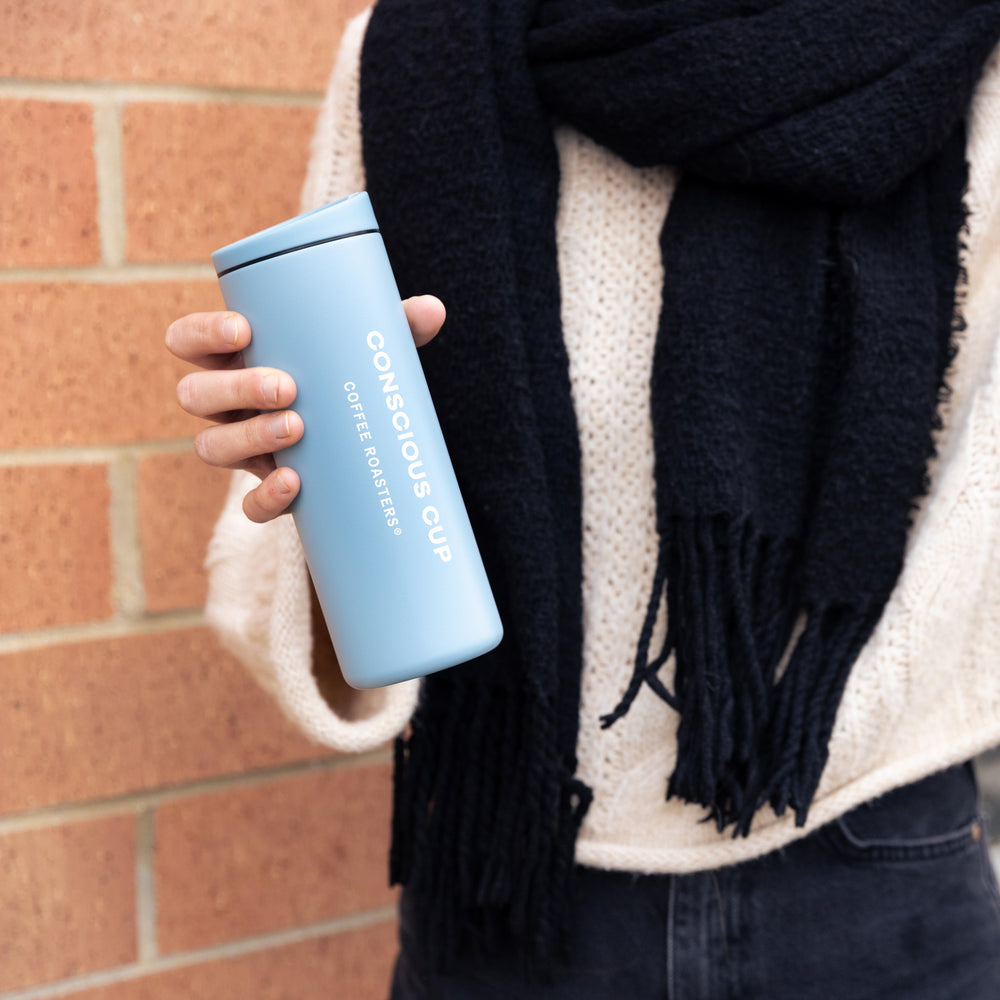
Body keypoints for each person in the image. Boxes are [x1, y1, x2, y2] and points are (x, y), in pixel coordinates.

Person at [167, 2, 1000, 996]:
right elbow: (341, 544)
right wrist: (315, 493)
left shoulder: (954, 45)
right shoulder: (421, 48)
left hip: (874, 870)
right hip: (510, 873)